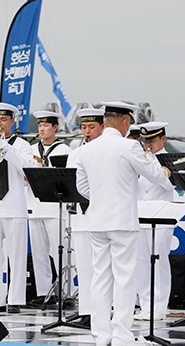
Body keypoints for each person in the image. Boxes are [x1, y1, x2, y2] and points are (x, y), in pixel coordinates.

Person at [75, 101, 171, 346]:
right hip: (122, 222)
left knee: (100, 278)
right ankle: (121, 335)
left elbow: (82, 188)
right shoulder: (130, 147)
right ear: (126, 122)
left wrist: (101, 198)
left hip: (96, 221)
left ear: (105, 121)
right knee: (125, 278)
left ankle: (101, 335)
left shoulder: (87, 149)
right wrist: (165, 173)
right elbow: (155, 175)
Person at [0, 102, 33, 313]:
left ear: (12, 121)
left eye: (3, 120)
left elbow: (27, 169)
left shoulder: (22, 145)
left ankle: (15, 299)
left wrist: (8, 151)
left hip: (15, 207)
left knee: (17, 256)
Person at [27, 109, 72, 306]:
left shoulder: (65, 151)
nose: (42, 129)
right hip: (34, 205)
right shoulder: (30, 149)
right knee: (39, 252)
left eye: (46, 125)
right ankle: (45, 291)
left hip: (55, 208)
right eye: (40, 125)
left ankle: (65, 292)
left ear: (55, 127)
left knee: (59, 250)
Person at [66, 107, 105, 327]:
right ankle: (86, 310)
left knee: (101, 268)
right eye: (84, 127)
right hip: (80, 215)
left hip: (100, 215)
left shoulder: (105, 151)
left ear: (103, 127)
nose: (87, 131)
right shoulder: (76, 152)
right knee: (84, 266)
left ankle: (101, 311)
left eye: (92, 127)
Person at [133, 121, 176, 321]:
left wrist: (156, 169)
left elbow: (168, 183)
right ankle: (145, 304)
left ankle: (159, 306)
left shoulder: (171, 159)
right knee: (141, 262)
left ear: (163, 139)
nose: (148, 145)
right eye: (145, 141)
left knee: (158, 261)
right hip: (140, 215)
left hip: (162, 216)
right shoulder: (140, 158)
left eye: (152, 140)